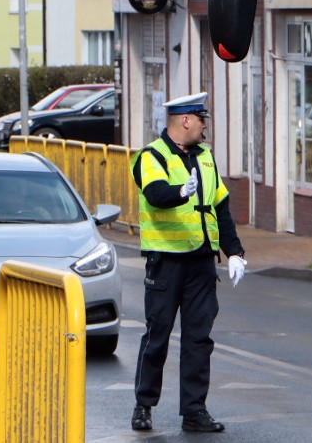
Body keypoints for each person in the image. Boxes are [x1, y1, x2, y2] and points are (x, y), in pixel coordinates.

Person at [130, 91, 247, 433]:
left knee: (199, 339)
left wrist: (235, 252)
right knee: (158, 335)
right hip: (166, 262)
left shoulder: (206, 158)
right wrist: (180, 191)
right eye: (201, 119)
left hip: (200, 263)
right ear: (185, 120)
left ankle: (194, 411)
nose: (204, 125)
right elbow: (154, 193)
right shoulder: (152, 155)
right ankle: (144, 405)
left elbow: (220, 208)